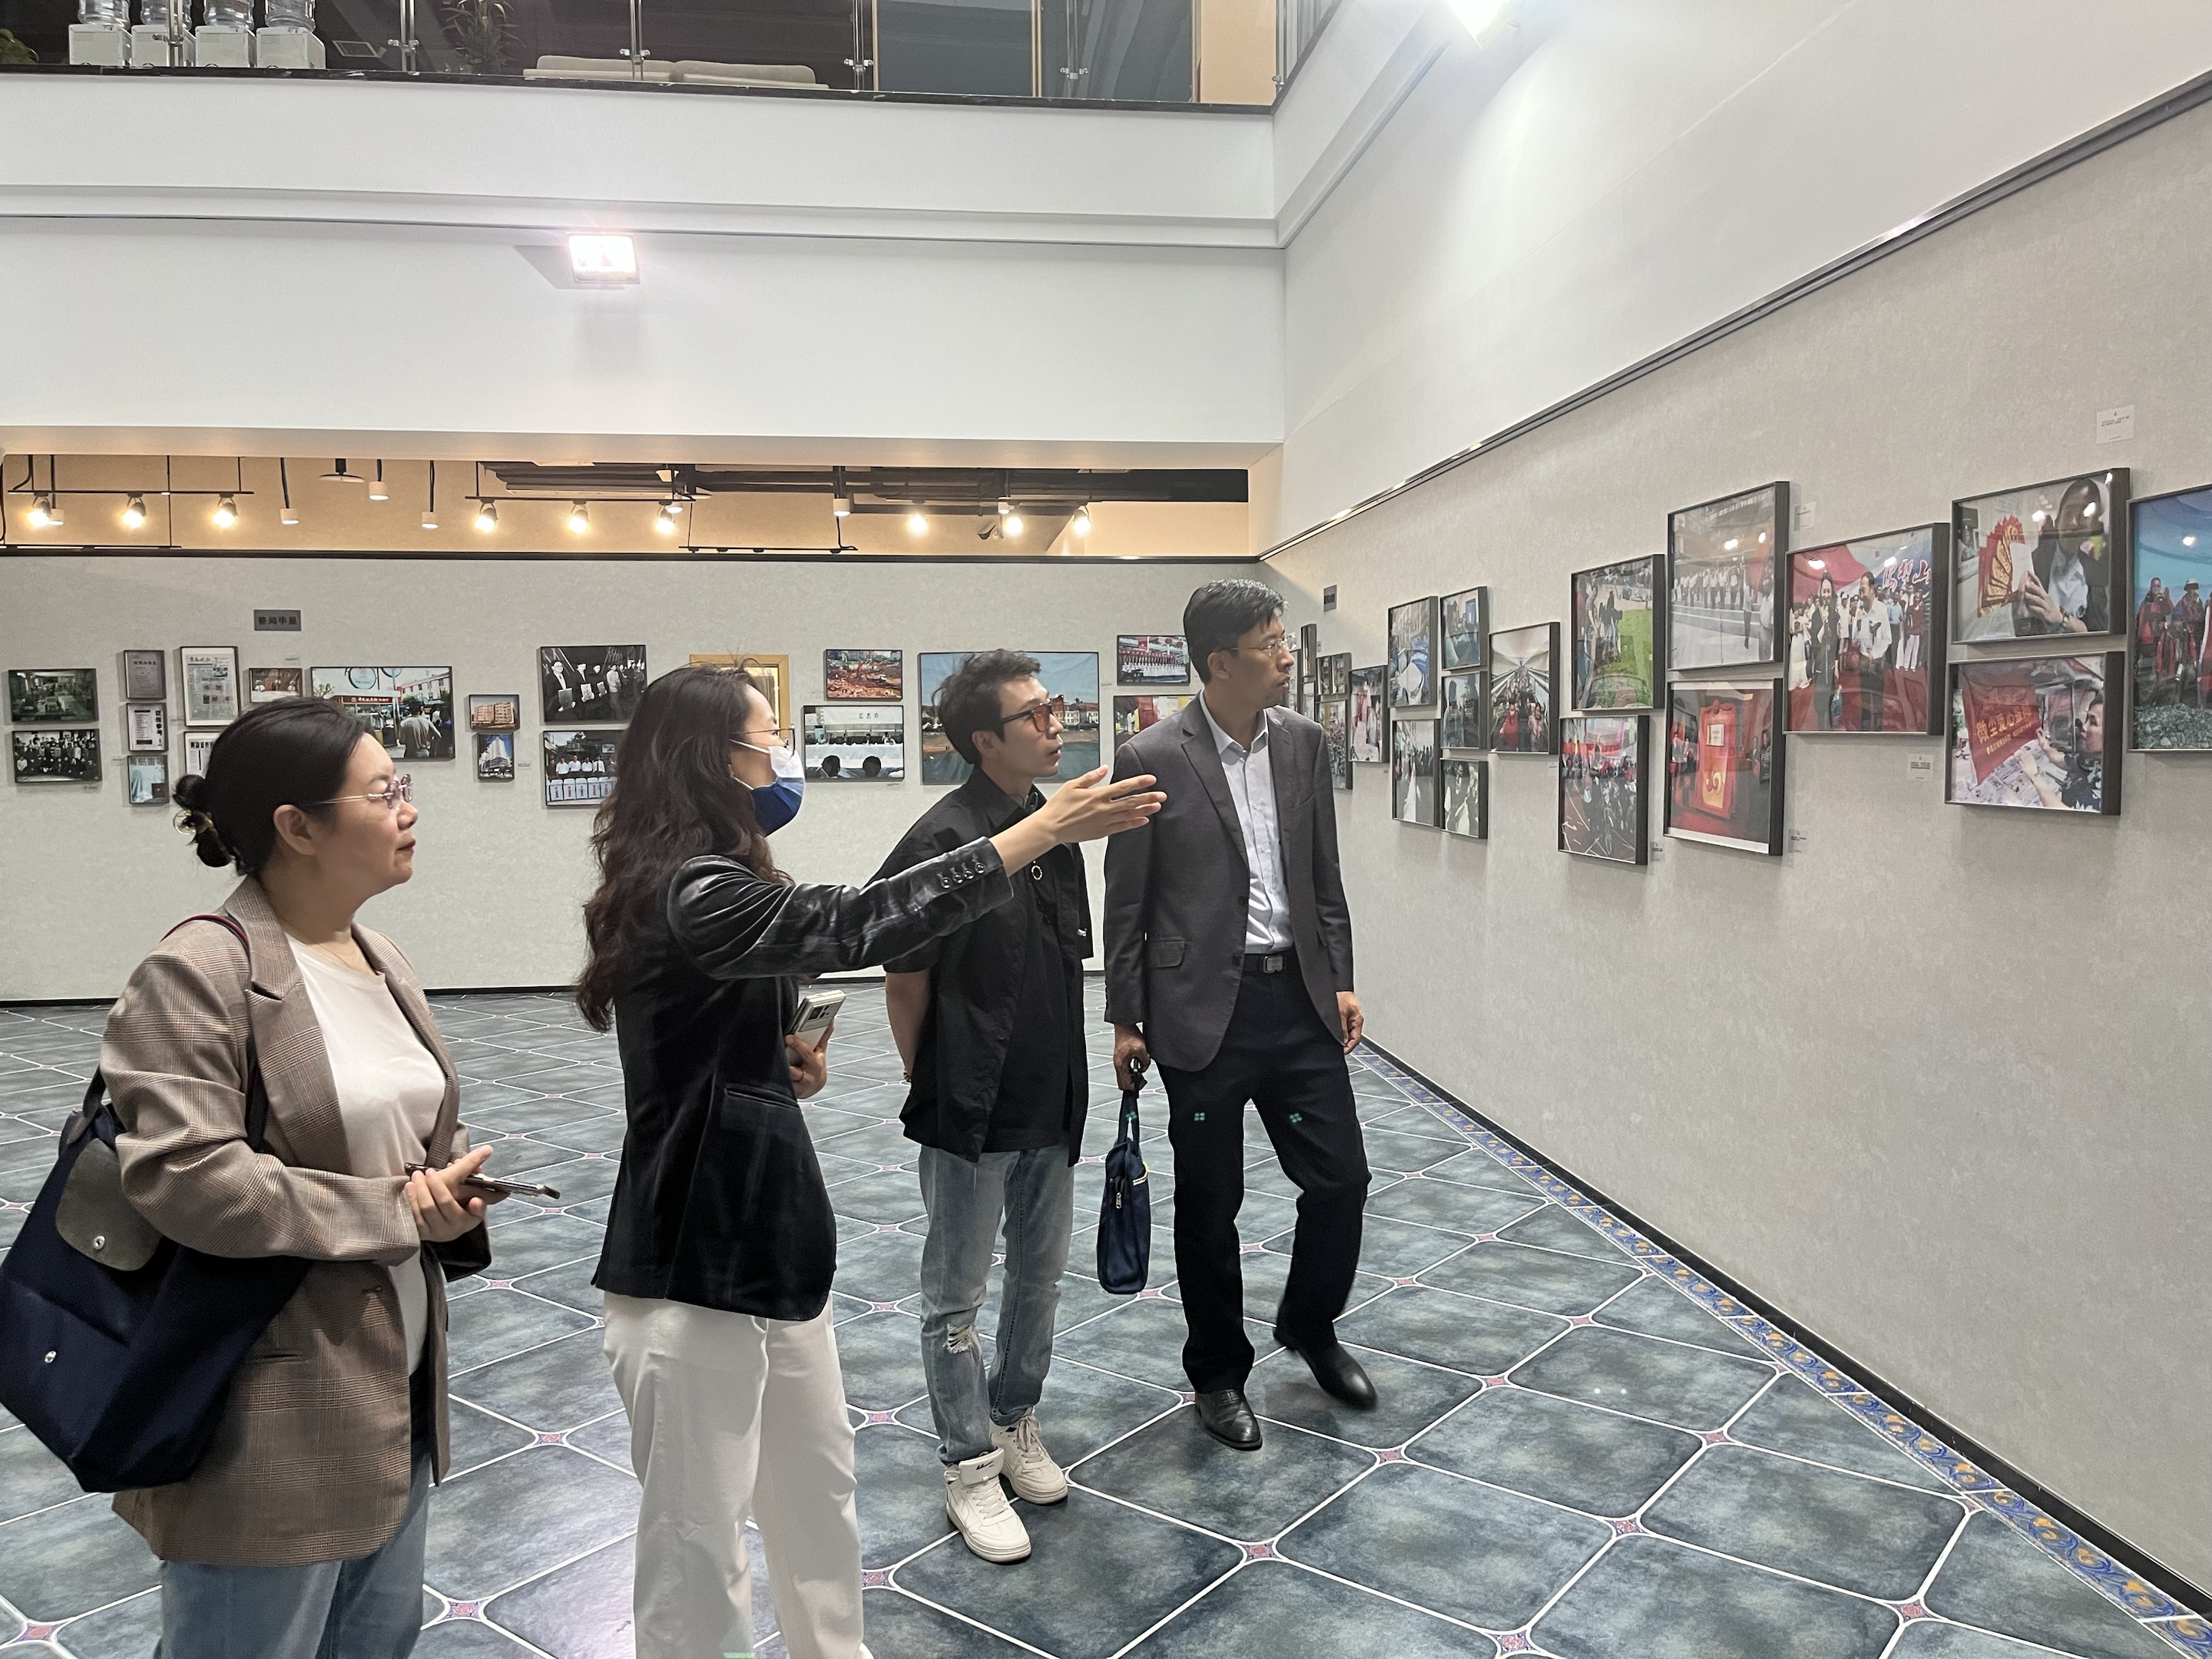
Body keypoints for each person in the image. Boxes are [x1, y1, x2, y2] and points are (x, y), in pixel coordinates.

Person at [578, 665, 1158, 1659]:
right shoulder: (690, 890)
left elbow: (710, 1037)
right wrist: (1040, 831)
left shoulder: (725, 879)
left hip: (776, 1248)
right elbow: (858, 923)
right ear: (714, 760)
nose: (783, 755)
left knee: (818, 1500)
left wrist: (772, 1065)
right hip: (690, 1262)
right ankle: (969, 1463)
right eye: (768, 737)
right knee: (697, 1550)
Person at [99, 696, 500, 1659]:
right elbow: (188, 1177)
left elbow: (396, 1127)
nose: (409, 809)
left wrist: (445, 1195)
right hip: (266, 1405)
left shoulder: (378, 954)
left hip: (394, 1382)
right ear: (298, 827)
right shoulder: (199, 967)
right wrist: (393, 1209)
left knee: (376, 1639)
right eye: (384, 792)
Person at [1105, 580, 1371, 1454]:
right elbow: (1128, 900)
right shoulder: (1151, 753)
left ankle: (1310, 1324)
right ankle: (1218, 1372)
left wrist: (1339, 977)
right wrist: (1127, 1018)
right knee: (1210, 1201)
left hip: (1297, 1004)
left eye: (1284, 640)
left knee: (1340, 1179)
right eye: (1271, 644)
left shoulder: (1304, 742)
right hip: (1200, 1015)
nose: (1287, 656)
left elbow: (1323, 873)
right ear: (1221, 662)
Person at [874, 652, 1091, 1565]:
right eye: (1034, 714)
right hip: (969, 1110)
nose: (1055, 723)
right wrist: (936, 1083)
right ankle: (967, 1464)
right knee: (954, 1300)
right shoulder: (941, 840)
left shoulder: (1057, 832)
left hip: (1051, 1103)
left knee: (1038, 1284)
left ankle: (1013, 1420)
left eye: (1053, 706)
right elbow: (904, 980)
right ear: (984, 740)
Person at [1806, 573, 1841, 730]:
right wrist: (1824, 621)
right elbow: (1816, 641)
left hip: (1831, 665)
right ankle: (1821, 728)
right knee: (1821, 702)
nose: (1826, 595)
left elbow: (1836, 641)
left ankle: (1832, 728)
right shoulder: (1816, 616)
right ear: (1820, 593)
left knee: (1832, 698)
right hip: (1820, 665)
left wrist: (1837, 665)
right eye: (1824, 591)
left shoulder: (1835, 615)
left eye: (1828, 591)